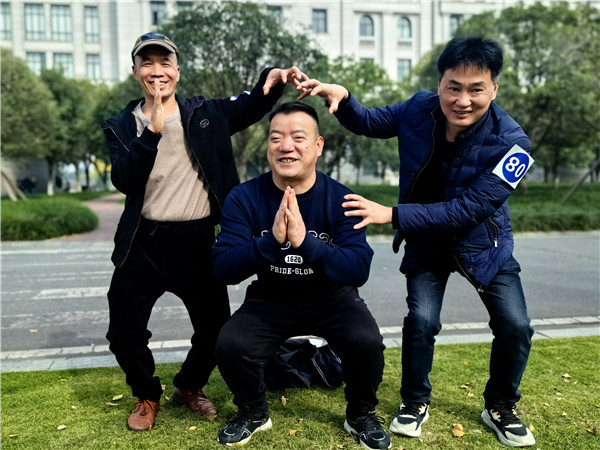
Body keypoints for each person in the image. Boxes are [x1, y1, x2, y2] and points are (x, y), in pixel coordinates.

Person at [298, 37, 536, 448]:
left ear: (494, 89)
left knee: (515, 325)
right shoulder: (417, 108)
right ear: (439, 84)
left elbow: (468, 210)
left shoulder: (515, 145)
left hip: (484, 244)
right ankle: (414, 401)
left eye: (476, 89)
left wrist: (391, 215)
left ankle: (500, 405)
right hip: (426, 242)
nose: (463, 100)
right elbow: (370, 122)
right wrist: (345, 99)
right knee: (422, 322)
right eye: (453, 87)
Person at [102, 32, 307, 432]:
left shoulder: (204, 113)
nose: (157, 71)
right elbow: (124, 180)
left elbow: (252, 104)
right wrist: (152, 132)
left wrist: (275, 78)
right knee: (123, 333)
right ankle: (147, 394)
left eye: (165, 63)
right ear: (135, 71)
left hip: (196, 241)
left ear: (177, 71)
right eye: (147, 63)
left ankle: (189, 385)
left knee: (216, 331)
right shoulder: (121, 126)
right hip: (143, 243)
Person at [211, 102, 391, 449]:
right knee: (231, 344)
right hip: (271, 297)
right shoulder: (244, 197)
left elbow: (358, 268)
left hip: (331, 298)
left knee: (366, 341)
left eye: (298, 137)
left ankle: (360, 414)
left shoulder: (342, 199)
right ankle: (253, 411)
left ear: (318, 146)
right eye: (276, 138)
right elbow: (223, 267)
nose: (286, 146)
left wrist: (306, 243)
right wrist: (270, 242)